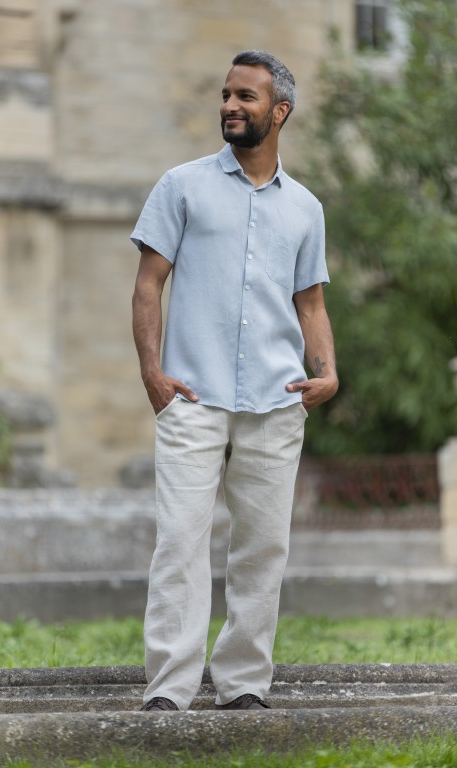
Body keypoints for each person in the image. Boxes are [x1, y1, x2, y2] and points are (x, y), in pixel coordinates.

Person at [130, 50, 338, 712]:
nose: (229, 105)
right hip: (190, 394)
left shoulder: (305, 208)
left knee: (262, 548)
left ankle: (244, 684)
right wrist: (153, 376)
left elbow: (311, 303)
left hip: (276, 400)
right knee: (181, 543)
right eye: (225, 93)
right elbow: (148, 284)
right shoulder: (181, 186)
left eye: (245, 96)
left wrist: (327, 371)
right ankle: (170, 689)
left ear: (279, 112)